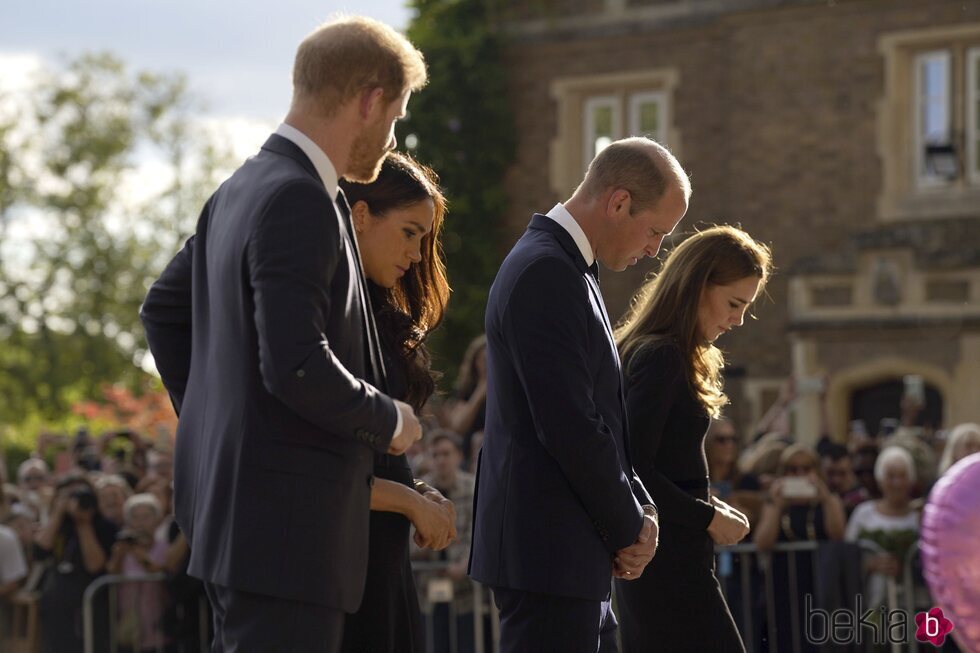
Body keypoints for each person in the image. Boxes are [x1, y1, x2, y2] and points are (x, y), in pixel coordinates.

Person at [139, 16, 427, 651]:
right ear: (370, 99)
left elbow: (163, 311)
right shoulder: (299, 196)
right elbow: (296, 363)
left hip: (240, 524)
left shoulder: (239, 188)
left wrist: (223, 426)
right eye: (396, 116)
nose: (391, 136)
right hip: (286, 536)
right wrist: (391, 420)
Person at [470, 137, 690, 652]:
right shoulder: (546, 270)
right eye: (656, 230)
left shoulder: (568, 268)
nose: (656, 248)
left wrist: (641, 509)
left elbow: (598, 419)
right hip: (547, 556)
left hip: (568, 554)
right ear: (617, 202)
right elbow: (569, 424)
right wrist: (629, 525)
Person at [612, 225, 771, 652]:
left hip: (674, 556)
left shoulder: (669, 354)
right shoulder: (661, 355)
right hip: (665, 564)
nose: (738, 320)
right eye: (734, 304)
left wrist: (711, 506)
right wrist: (707, 517)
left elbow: (667, 465)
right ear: (698, 286)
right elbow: (635, 468)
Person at [337, 151, 456, 653]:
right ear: (361, 215)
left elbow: (373, 453)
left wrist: (417, 490)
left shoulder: (377, 310)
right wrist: (409, 501)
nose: (415, 253)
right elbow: (321, 465)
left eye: (423, 239)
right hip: (338, 570)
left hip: (382, 561)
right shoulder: (329, 314)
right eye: (409, 232)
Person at [753, 444, 846, 652]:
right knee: (788, 637)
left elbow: (838, 533)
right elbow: (762, 542)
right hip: (785, 581)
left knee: (822, 636)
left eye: (807, 468)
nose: (800, 474)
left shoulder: (828, 500)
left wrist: (825, 498)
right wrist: (777, 504)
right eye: (792, 469)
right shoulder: (775, 502)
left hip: (820, 579)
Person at [34, 474, 119, 653]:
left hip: (89, 609)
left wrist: (83, 524)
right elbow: (40, 550)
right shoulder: (58, 525)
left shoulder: (104, 526)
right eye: (69, 495)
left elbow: (95, 566)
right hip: (56, 606)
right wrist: (58, 513)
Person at [415, 430, 479, 653]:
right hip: (427, 589)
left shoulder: (473, 487)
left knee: (468, 644)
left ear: (459, 456)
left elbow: (478, 532)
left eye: (446, 454)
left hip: (466, 591)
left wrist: (466, 563)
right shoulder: (417, 492)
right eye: (435, 455)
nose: (441, 460)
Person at [845, 446, 919, 609]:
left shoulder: (920, 516)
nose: (897, 483)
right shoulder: (863, 513)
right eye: (890, 476)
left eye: (902, 476)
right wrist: (869, 564)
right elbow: (847, 555)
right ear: (880, 480)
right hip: (870, 601)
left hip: (914, 605)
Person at [446, 335, 488, 468]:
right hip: (469, 458)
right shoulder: (467, 390)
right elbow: (458, 426)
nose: (487, 365)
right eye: (483, 360)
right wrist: (480, 392)